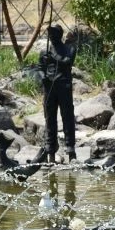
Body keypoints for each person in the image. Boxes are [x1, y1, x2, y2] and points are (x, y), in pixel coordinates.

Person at [35, 24, 77, 164]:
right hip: (49, 89)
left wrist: (53, 59)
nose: (51, 37)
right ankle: (50, 151)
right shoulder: (45, 51)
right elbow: (40, 67)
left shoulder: (69, 48)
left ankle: (70, 150)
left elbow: (67, 62)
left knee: (67, 118)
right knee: (50, 119)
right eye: (50, 35)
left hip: (64, 87)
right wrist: (43, 77)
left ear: (60, 35)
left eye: (54, 34)